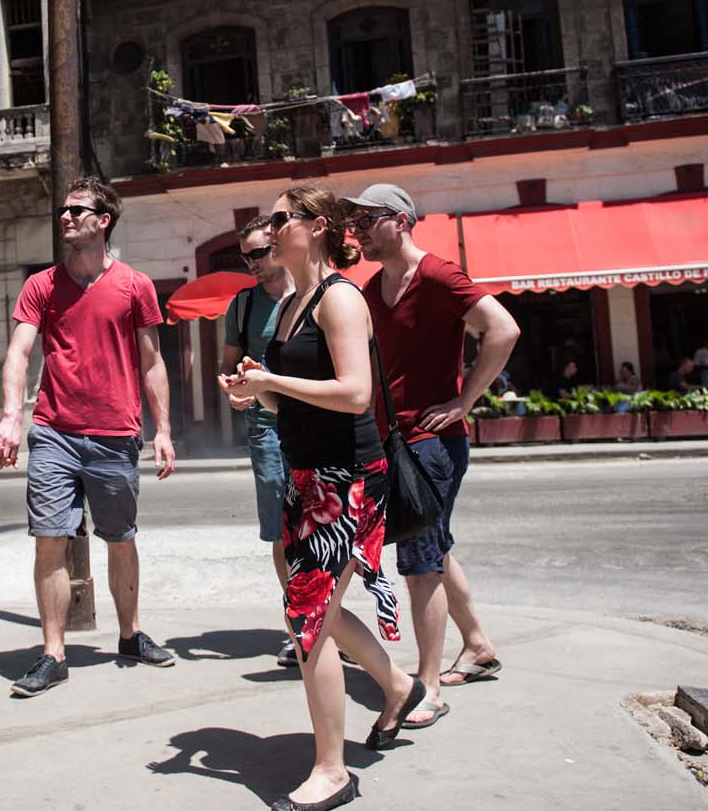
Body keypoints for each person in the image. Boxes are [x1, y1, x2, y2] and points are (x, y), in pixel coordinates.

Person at [222, 185, 422, 811]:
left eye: (282, 219)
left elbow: (355, 393)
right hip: (306, 475)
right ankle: (397, 685)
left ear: (317, 226)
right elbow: (293, 396)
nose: (271, 230)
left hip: (347, 478)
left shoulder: (340, 299)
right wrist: (257, 392)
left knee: (307, 617)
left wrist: (272, 379)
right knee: (313, 612)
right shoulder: (289, 304)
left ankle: (332, 770)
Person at [0, 176, 178, 698]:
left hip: (116, 433)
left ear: (103, 220)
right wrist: (11, 415)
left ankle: (130, 634)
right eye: (63, 211)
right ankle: (53, 653)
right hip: (54, 431)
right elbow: (19, 353)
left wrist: (162, 430)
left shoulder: (134, 285)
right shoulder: (41, 285)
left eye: (77, 210)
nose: (66, 217)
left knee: (120, 537)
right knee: (50, 539)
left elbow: (152, 360)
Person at [353, 183, 520, 732]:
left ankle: (424, 687)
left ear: (400, 221)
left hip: (430, 442)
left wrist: (464, 399)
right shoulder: (375, 287)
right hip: (394, 441)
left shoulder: (440, 275)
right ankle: (476, 644)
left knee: (420, 561)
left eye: (366, 219)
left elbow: (503, 328)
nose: (356, 229)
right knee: (435, 544)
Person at [220, 215, 298, 667]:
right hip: (267, 430)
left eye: (258, 253)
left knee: (324, 526)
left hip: (313, 423)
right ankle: (298, 626)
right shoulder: (244, 306)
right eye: (244, 254)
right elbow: (231, 368)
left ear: (279, 245)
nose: (251, 262)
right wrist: (232, 389)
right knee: (283, 532)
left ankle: (328, 620)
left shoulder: (311, 293)